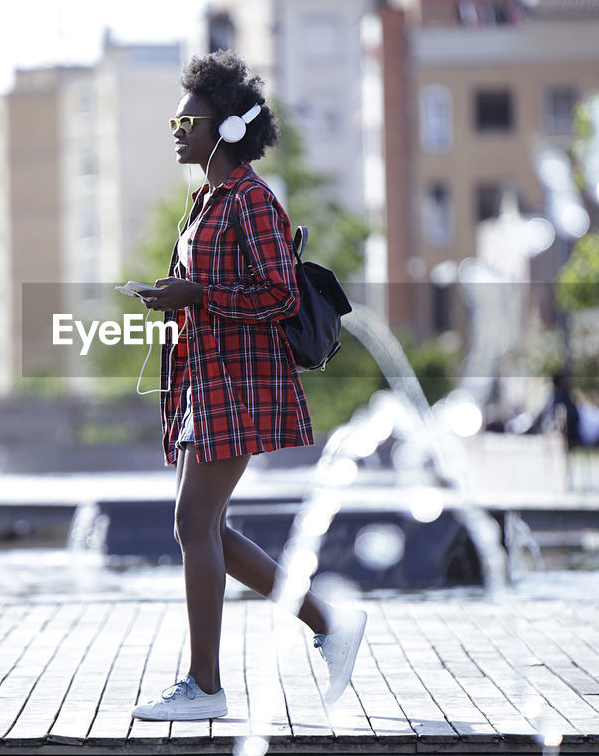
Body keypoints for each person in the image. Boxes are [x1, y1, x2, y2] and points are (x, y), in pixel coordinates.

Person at [129, 51, 366, 721]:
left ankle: (205, 686)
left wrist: (197, 291)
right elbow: (218, 291)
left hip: (240, 385)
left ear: (228, 130)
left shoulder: (253, 200)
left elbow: (281, 294)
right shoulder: (206, 199)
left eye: (189, 119)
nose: (177, 127)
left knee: (192, 522)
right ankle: (327, 620)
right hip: (207, 381)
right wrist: (174, 297)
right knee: (204, 526)